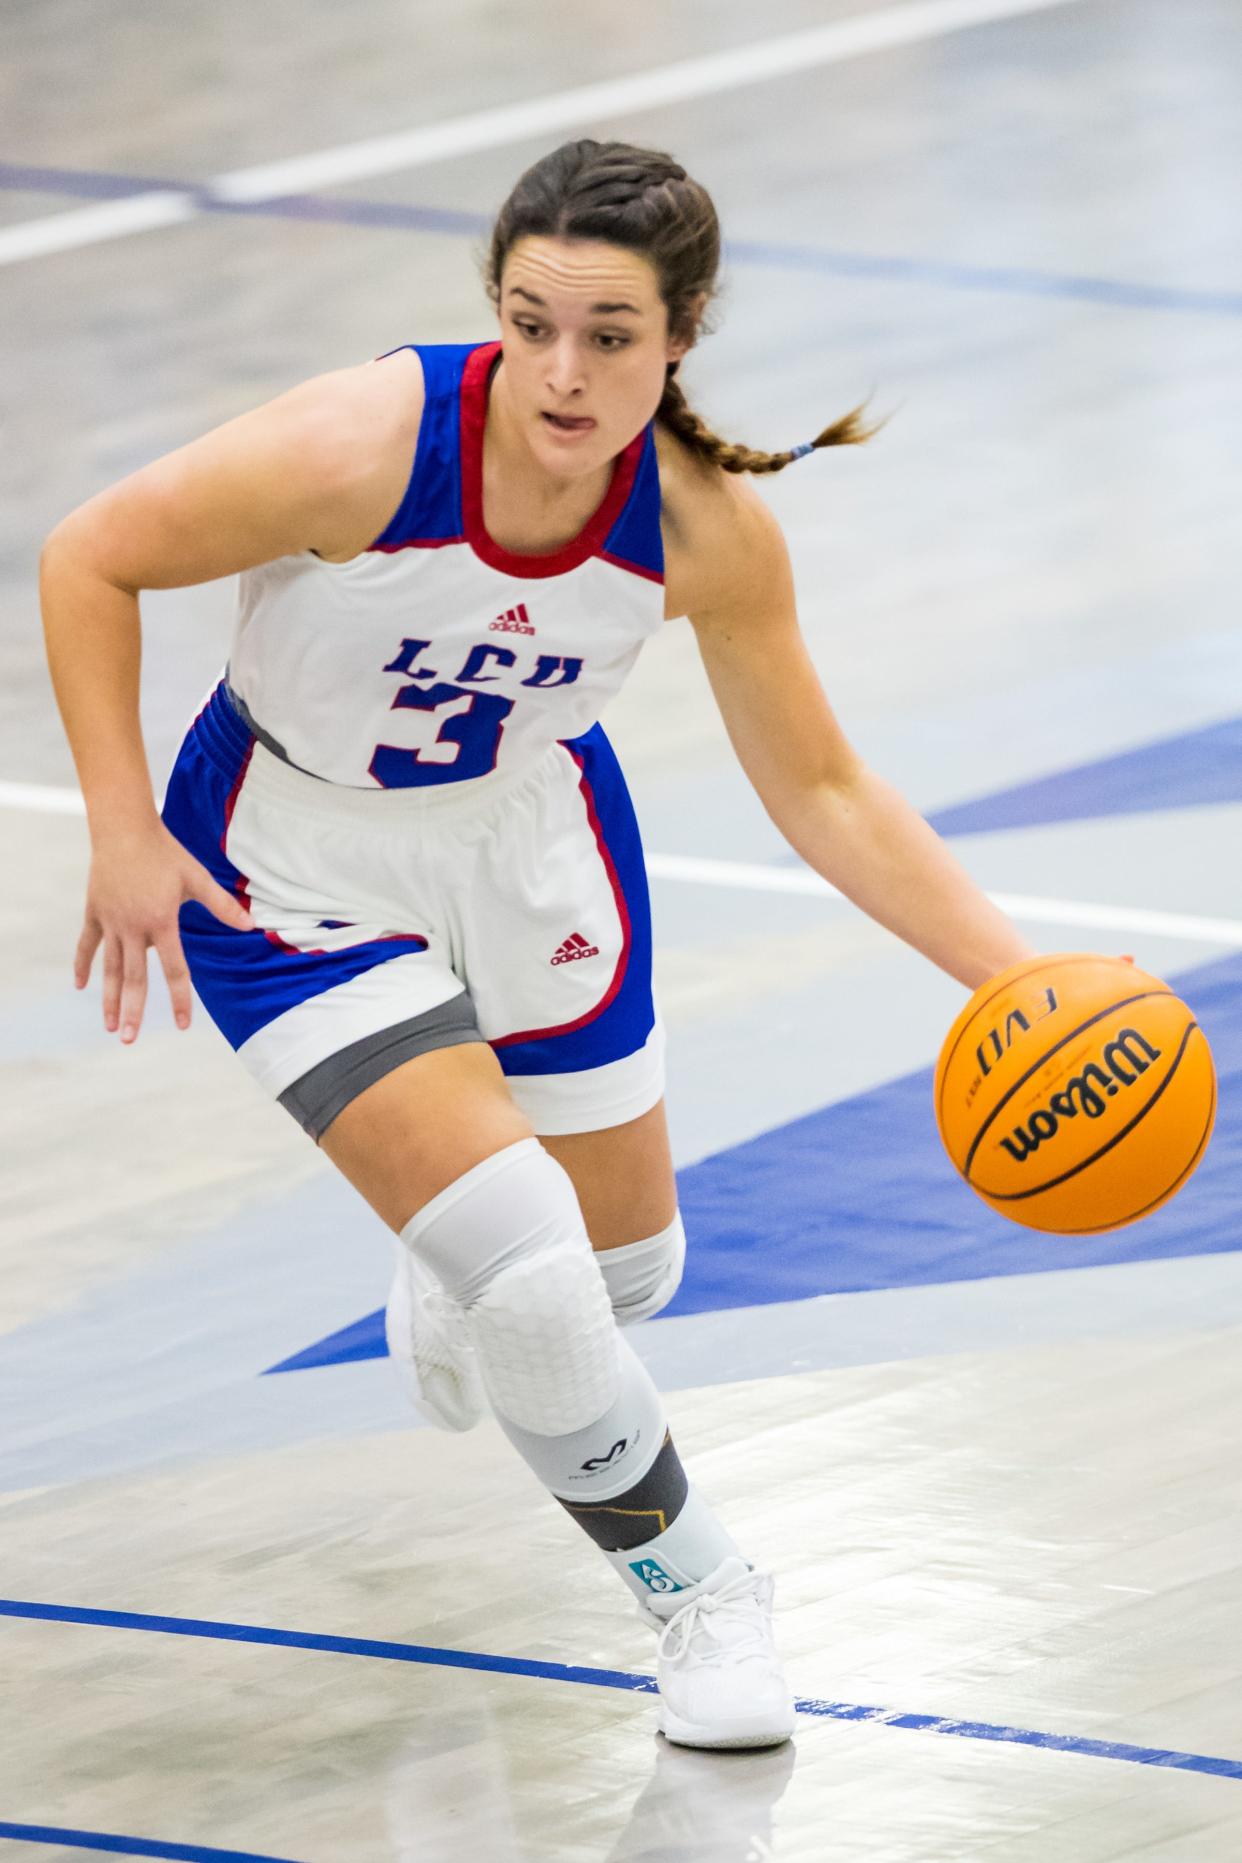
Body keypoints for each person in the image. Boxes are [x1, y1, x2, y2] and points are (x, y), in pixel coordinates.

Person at [41, 139, 1035, 1750]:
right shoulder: (360, 444)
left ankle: (455, 1259)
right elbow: (90, 552)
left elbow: (826, 787)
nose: (562, 375)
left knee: (625, 1267)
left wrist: (1020, 980)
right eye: (530, 325)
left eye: (610, 337)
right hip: (290, 862)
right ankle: (703, 1591)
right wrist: (118, 825)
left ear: (682, 336)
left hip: (529, 842)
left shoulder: (701, 530)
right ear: (492, 309)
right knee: (532, 1271)